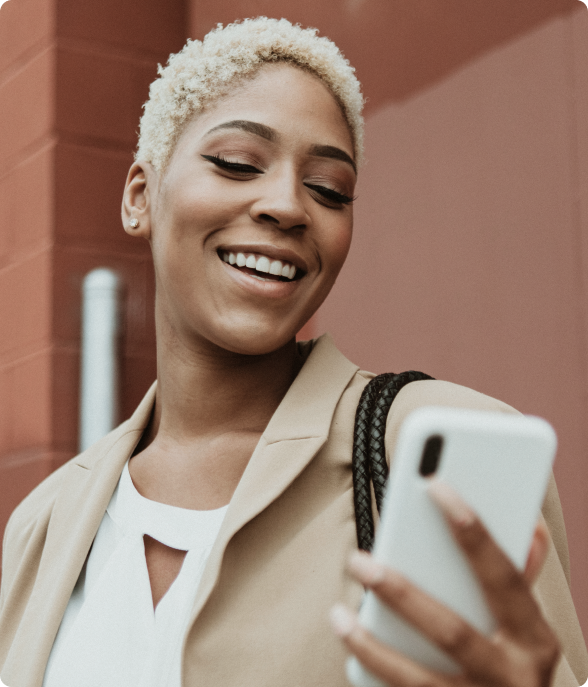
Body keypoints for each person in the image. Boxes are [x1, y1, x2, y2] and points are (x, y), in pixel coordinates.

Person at [0, 17, 586, 687]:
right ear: (141, 197)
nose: (288, 206)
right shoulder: (42, 524)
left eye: (329, 189)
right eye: (237, 163)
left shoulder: (433, 455)